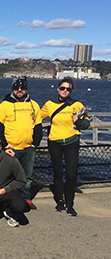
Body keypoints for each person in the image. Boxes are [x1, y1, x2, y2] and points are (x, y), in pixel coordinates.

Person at [41, 78, 90, 217]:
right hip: (55, 141)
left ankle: (70, 204)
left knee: (71, 174)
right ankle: (60, 201)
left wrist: (79, 121)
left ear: (72, 90)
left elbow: (86, 124)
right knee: (57, 173)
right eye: (62, 88)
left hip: (71, 141)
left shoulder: (76, 105)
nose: (65, 91)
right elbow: (37, 116)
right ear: (58, 89)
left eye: (68, 89)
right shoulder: (50, 104)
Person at [0, 77, 43, 210]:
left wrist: (35, 144)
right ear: (12, 89)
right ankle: (8, 200)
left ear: (26, 89)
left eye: (22, 88)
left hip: (28, 148)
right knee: (8, 177)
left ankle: (26, 198)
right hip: (11, 148)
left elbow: (38, 126)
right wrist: (5, 145)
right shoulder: (4, 105)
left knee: (27, 176)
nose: (19, 90)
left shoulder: (34, 105)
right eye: (16, 88)